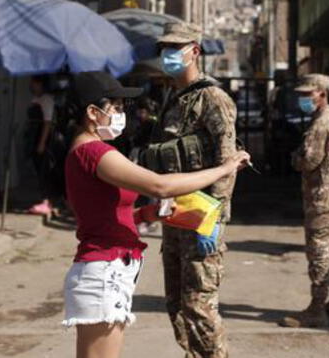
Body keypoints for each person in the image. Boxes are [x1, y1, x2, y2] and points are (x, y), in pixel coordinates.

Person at [62, 71, 249, 358]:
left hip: (110, 269)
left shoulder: (92, 151)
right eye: (116, 106)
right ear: (92, 111)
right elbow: (159, 185)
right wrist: (225, 168)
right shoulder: (94, 152)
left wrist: (147, 214)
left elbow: (103, 214)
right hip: (103, 271)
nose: (122, 112)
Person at [138, 23, 238, 357]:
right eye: (163, 48)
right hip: (175, 212)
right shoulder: (172, 96)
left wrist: (214, 218)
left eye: (174, 47)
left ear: (194, 51)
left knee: (199, 307)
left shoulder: (212, 98)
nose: (167, 54)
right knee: (177, 305)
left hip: (201, 215)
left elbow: (228, 162)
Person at [280, 74, 329, 328]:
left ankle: (317, 309)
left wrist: (295, 157)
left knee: (318, 251)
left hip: (321, 196)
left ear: (321, 92)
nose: (303, 99)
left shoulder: (322, 123)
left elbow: (309, 160)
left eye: (307, 94)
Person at [26, 75, 55, 215]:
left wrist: (42, 143)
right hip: (33, 136)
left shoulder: (47, 99)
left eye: (33, 83)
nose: (31, 86)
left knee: (44, 169)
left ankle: (47, 200)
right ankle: (43, 198)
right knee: (37, 168)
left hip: (42, 137)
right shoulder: (34, 99)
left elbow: (47, 122)